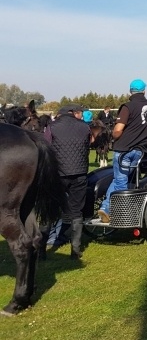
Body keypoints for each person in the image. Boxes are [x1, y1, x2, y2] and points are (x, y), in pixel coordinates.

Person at [97, 79, 147, 224]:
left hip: (124, 149)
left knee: (120, 183)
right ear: (144, 90)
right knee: (119, 179)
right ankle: (105, 208)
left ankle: (114, 212)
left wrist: (112, 135)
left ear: (130, 91)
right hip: (139, 150)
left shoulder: (127, 107)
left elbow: (118, 130)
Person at [44, 104, 93, 259]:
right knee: (76, 211)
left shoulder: (52, 127)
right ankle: (76, 250)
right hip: (79, 173)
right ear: (73, 113)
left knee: (49, 212)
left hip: (57, 174)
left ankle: (40, 251)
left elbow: (46, 147)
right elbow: (90, 142)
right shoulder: (85, 127)